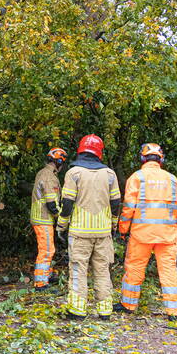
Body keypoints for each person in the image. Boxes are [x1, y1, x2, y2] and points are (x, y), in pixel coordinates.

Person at [118, 143, 177, 321]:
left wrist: (123, 230)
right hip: (168, 235)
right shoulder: (172, 179)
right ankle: (173, 312)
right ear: (160, 159)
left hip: (141, 234)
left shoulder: (137, 177)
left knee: (134, 268)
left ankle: (128, 305)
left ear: (143, 158)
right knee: (169, 271)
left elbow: (128, 208)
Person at [56, 135, 121, 320]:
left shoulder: (74, 173)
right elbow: (116, 202)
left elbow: (67, 203)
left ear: (81, 150)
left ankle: (77, 311)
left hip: (79, 232)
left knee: (78, 270)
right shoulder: (109, 174)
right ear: (99, 152)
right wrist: (114, 224)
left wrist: (62, 225)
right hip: (103, 232)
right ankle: (105, 311)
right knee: (102, 270)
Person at [31, 147, 67, 290]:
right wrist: (62, 218)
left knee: (48, 248)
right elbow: (51, 203)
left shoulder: (44, 173)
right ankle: (40, 282)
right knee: (46, 250)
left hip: (42, 218)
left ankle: (47, 274)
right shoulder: (49, 176)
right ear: (58, 162)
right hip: (43, 218)